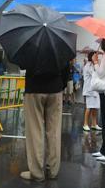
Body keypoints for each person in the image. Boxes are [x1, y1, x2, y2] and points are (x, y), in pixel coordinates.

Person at [19, 47, 70, 181]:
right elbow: (66, 69)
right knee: (53, 132)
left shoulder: (31, 41)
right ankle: (52, 170)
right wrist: (60, 85)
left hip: (34, 88)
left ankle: (36, 173)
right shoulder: (59, 43)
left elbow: (22, 63)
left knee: (35, 131)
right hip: (55, 89)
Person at [82, 51, 101, 131]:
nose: (97, 57)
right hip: (89, 90)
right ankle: (85, 124)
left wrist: (96, 64)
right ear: (91, 57)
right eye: (95, 56)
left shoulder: (92, 65)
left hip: (95, 90)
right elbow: (96, 74)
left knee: (95, 108)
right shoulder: (88, 65)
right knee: (89, 107)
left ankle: (94, 124)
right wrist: (97, 64)